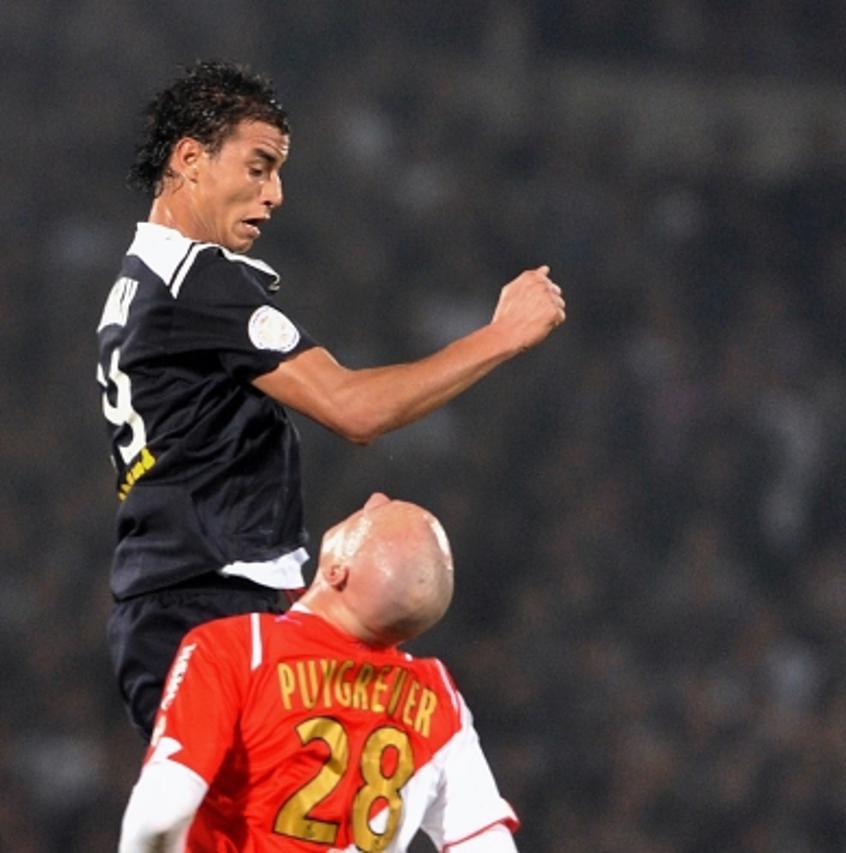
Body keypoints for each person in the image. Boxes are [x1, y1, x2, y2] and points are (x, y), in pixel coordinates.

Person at [96, 60, 565, 740]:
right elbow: (354, 409)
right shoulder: (197, 281)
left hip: (183, 604)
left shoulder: (140, 281)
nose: (275, 193)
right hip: (206, 610)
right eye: (259, 167)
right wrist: (502, 336)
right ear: (190, 159)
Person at [118, 492, 520, 852]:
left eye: (370, 517)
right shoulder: (439, 699)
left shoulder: (240, 648)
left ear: (336, 572)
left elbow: (159, 817)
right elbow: (485, 841)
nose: (376, 496)